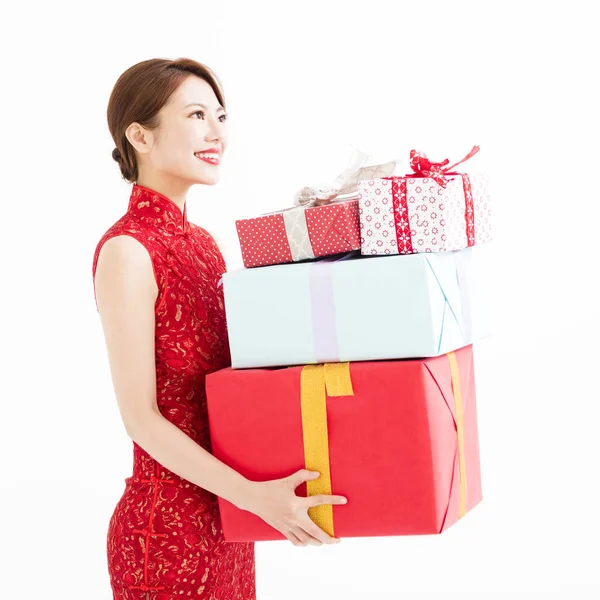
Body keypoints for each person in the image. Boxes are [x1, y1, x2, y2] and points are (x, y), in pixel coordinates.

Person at [92, 57, 347, 600]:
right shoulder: (127, 252)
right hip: (165, 530)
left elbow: (240, 378)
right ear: (140, 135)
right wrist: (254, 496)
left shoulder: (205, 246)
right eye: (196, 114)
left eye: (221, 116)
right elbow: (142, 420)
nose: (217, 132)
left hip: (231, 520)